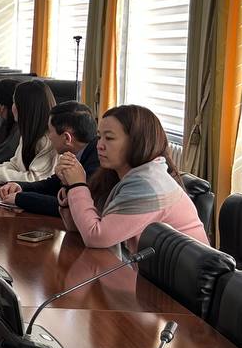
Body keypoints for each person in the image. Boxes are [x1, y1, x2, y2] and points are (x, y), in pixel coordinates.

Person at [58, 104, 209, 255]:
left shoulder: (148, 184)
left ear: (137, 142)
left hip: (187, 269)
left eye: (109, 138)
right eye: (99, 137)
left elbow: (95, 237)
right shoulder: (116, 174)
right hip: (144, 266)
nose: (99, 145)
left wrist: (77, 185)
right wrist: (68, 186)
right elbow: (78, 227)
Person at [0, 104, 98, 217]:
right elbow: (51, 185)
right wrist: (20, 187)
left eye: (50, 131)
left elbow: (69, 206)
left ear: (67, 138)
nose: (49, 137)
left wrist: (20, 199)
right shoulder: (80, 153)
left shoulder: (97, 161)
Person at [0, 80, 57, 182]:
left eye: (14, 102)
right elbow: (15, 165)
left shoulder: (46, 140)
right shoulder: (28, 134)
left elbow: (34, 179)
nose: (12, 107)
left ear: (25, 107)